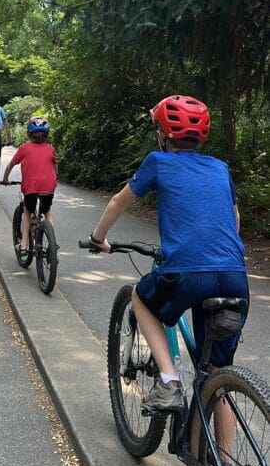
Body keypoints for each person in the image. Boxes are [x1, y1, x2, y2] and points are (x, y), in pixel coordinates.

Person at [88, 94, 248, 418]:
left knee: (140, 296)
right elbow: (235, 220)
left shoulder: (159, 162)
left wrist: (98, 238)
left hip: (188, 273)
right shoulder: (220, 168)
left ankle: (169, 380)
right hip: (234, 276)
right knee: (218, 375)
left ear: (162, 132)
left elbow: (120, 201)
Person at [2, 117, 58, 257]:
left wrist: (5, 179)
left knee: (27, 211)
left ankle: (24, 244)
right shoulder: (51, 149)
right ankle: (52, 243)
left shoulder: (24, 148)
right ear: (47, 134)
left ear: (29, 133)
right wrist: (55, 178)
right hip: (48, 186)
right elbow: (55, 167)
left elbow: (10, 165)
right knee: (47, 211)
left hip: (31, 187)